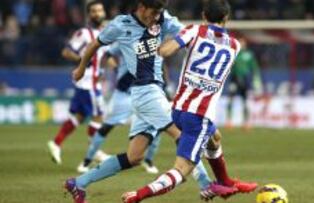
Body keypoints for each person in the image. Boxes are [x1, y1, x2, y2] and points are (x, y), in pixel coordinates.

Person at [64, 1, 235, 202]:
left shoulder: (163, 19)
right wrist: (81, 68)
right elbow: (95, 44)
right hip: (145, 92)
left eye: (159, 13)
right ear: (142, 7)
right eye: (153, 12)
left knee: (134, 156)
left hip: (154, 92)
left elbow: (190, 35)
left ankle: (79, 183)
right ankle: (207, 185)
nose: (156, 17)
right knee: (183, 135)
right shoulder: (121, 24)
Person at [122, 0, 258, 202]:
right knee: (182, 169)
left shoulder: (193, 31)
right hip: (199, 116)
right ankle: (138, 195)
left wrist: (154, 40)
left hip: (178, 109)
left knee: (215, 137)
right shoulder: (235, 45)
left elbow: (165, 51)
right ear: (227, 18)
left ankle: (224, 181)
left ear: (204, 16)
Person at [77, 43, 161, 174]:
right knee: (107, 127)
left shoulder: (155, 39)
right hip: (123, 95)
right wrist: (110, 69)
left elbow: (161, 64)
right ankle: (87, 160)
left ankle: (148, 161)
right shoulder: (125, 36)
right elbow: (107, 54)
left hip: (146, 94)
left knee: (158, 125)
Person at [47, 0, 109, 166]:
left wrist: (103, 69)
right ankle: (94, 151)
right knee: (98, 116)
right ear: (89, 15)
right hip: (88, 83)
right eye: (94, 11)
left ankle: (56, 142)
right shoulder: (84, 33)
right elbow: (66, 52)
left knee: (79, 117)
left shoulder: (105, 33)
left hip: (92, 82)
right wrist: (82, 59)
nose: (98, 14)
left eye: (100, 10)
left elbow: (103, 57)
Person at [227, 37, 262, 129]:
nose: (241, 45)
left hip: (246, 81)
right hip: (234, 79)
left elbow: (254, 68)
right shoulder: (234, 53)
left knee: (245, 101)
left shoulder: (249, 55)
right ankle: (229, 121)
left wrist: (256, 80)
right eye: (240, 43)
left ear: (245, 44)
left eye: (243, 43)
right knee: (231, 99)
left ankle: (246, 122)